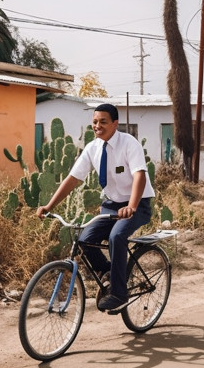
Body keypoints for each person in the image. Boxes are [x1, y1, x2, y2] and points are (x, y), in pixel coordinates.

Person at [36, 103, 154, 312]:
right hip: (111, 205)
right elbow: (73, 179)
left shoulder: (129, 143)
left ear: (115, 124)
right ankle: (111, 273)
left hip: (137, 204)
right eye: (95, 122)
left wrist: (132, 206)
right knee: (84, 240)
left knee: (116, 237)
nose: (98, 126)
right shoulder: (93, 148)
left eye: (103, 122)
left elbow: (139, 175)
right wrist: (49, 205)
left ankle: (119, 294)